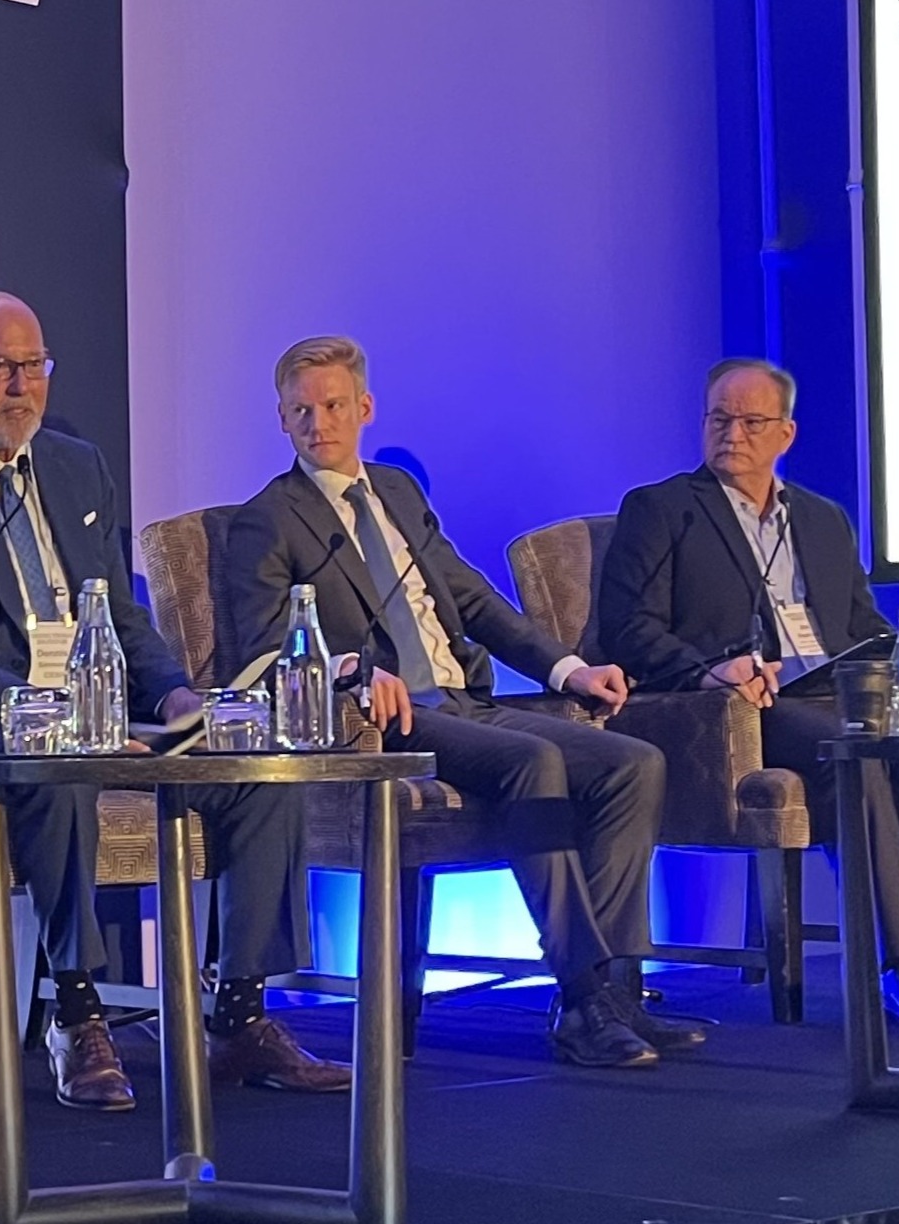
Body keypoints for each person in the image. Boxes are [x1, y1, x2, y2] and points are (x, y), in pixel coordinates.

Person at [0, 291, 347, 1112]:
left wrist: (177, 695)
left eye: (34, 366)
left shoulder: (75, 466)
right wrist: (44, 710)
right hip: (3, 722)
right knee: (60, 774)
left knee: (255, 769)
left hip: (106, 706)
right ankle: (77, 1013)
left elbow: (121, 615)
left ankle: (239, 1015)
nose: (21, 386)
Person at [225, 335, 690, 1068]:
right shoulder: (269, 518)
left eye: (334, 406)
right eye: (301, 411)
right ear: (281, 419)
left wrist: (568, 669)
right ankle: (580, 996)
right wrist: (348, 669)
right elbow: (261, 643)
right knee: (532, 761)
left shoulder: (398, 494)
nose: (318, 424)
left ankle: (610, 988)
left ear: (364, 408)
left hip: (466, 700)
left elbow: (472, 598)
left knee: (632, 763)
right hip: (391, 718)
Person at [600, 358, 899, 1006]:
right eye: (719, 419)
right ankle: (894, 966)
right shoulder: (663, 509)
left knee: (878, 734)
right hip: (744, 701)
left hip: (833, 686)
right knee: (858, 755)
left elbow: (863, 625)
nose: (731, 434)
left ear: (785, 433)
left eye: (750, 422)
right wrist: (710, 669)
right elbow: (627, 628)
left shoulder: (822, 519)